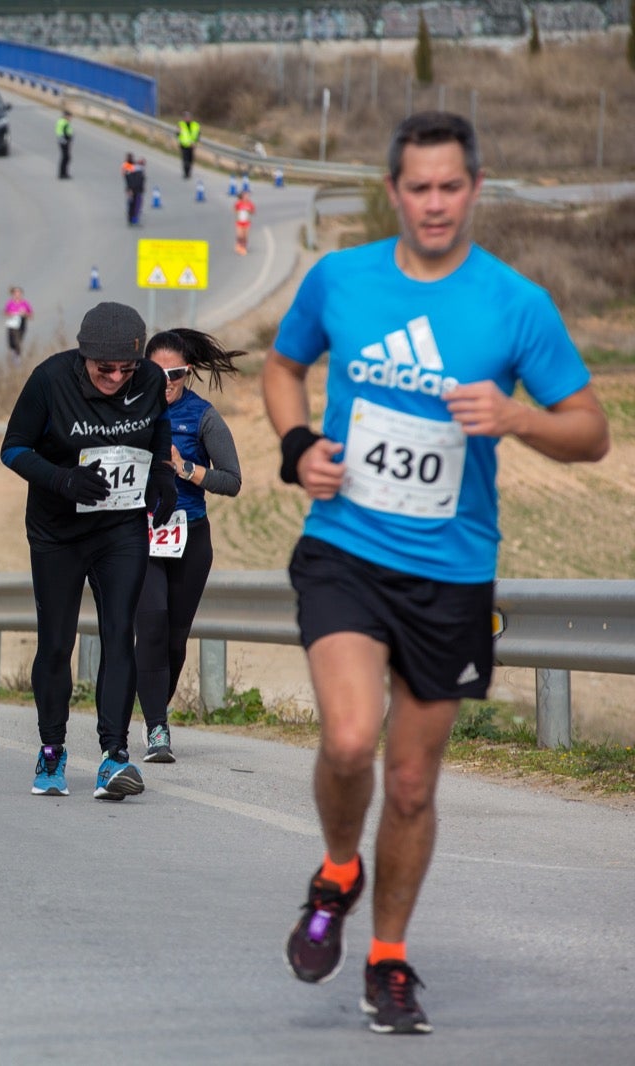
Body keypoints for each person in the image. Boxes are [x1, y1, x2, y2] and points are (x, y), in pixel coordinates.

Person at [263, 112, 609, 1035]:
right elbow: (282, 365)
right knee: (347, 740)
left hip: (451, 571)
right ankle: (338, 869)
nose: (435, 204)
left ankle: (388, 960)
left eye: (451, 186)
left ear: (476, 190)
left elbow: (591, 428)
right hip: (346, 548)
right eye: (418, 187)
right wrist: (298, 446)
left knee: (412, 785)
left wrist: (517, 418)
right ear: (394, 193)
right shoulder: (342, 279)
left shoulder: (514, 305)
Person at [0, 301, 176, 800]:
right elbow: (12, 448)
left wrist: (161, 471)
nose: (117, 377)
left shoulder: (147, 380)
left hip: (120, 527)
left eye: (127, 367)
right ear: (84, 357)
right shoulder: (50, 380)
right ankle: (52, 750)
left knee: (121, 632)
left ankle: (114, 757)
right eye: (105, 368)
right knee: (57, 643)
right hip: (58, 532)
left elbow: (157, 424)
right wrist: (61, 479)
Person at [132, 329, 244, 764]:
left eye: (174, 373)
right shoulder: (129, 409)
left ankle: (151, 711)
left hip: (189, 537)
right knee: (152, 624)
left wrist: (187, 469)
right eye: (155, 373)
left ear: (188, 373)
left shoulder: (202, 417)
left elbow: (231, 481)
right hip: (139, 536)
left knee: (175, 640)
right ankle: (158, 728)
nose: (165, 381)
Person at [3, 286, 33, 358]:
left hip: (21, 324)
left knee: (18, 341)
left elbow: (31, 315)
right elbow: (5, 313)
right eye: (15, 293)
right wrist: (12, 314)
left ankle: (17, 357)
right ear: (13, 294)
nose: (17, 295)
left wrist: (24, 314)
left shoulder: (25, 303)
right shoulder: (10, 303)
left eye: (19, 293)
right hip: (12, 325)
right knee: (11, 342)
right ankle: (14, 354)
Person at [177, 110, 201, 179]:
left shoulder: (195, 125)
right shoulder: (181, 124)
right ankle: (186, 173)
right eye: (186, 117)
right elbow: (178, 134)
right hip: (184, 145)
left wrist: (195, 142)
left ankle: (189, 172)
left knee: (190, 160)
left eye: (188, 117)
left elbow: (198, 135)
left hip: (192, 145)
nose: (187, 118)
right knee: (185, 159)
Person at [126, 155, 147, 226]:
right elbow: (130, 180)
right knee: (134, 205)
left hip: (137, 189)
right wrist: (130, 189)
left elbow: (142, 180)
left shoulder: (138, 168)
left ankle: (132, 219)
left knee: (135, 204)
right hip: (134, 189)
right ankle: (133, 219)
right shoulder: (132, 168)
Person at [234, 189, 256, 256]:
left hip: (247, 222)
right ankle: (238, 245)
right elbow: (234, 210)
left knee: (245, 236)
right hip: (239, 222)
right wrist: (240, 211)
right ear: (242, 196)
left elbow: (253, 212)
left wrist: (248, 211)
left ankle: (243, 247)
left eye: (248, 196)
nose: (247, 197)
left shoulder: (250, 204)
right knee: (240, 235)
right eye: (246, 196)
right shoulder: (239, 203)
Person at [55, 107, 73, 180]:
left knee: (66, 157)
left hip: (64, 141)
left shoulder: (63, 121)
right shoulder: (63, 122)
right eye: (69, 116)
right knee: (66, 157)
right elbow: (61, 133)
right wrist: (65, 142)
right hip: (63, 142)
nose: (70, 118)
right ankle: (62, 174)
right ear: (66, 116)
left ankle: (64, 173)